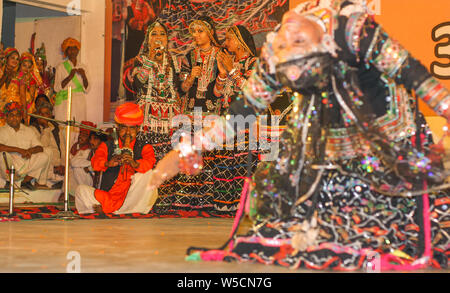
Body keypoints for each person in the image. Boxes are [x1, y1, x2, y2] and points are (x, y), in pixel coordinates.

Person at [149, 0, 450, 270]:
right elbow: (243, 111)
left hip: (386, 130)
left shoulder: (356, 30)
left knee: (388, 229)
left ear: (325, 48)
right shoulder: (277, 52)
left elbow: (416, 77)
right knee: (294, 228)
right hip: (325, 134)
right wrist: (190, 148)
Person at [171, 15, 221, 211]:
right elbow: (182, 88)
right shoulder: (189, 56)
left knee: (207, 153)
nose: (196, 35)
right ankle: (187, 199)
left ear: (209, 32)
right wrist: (191, 76)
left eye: (200, 31)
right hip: (191, 108)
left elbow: (224, 85)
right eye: (193, 32)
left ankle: (207, 200)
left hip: (211, 108)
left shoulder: (220, 55)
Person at [131, 20, 182, 211]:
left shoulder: (175, 61)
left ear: (167, 39)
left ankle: (166, 201)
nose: (158, 38)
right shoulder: (141, 59)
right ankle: (145, 199)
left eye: (162, 34)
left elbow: (180, 88)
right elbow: (137, 85)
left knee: (167, 157)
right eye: (154, 34)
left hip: (169, 116)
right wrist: (151, 61)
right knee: (148, 155)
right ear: (148, 39)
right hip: (147, 116)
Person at [210, 24, 259, 212]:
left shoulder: (253, 63)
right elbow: (216, 93)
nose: (225, 42)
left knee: (241, 163)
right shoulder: (229, 61)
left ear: (240, 42)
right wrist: (222, 74)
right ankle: (224, 205)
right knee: (223, 161)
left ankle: (242, 205)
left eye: (229, 38)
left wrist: (232, 71)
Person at [75, 103, 157, 214]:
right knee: (81, 190)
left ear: (138, 129)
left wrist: (134, 163)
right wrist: (108, 163)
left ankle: (113, 210)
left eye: (132, 128)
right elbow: (95, 163)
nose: (128, 133)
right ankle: (113, 209)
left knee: (148, 175)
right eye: (124, 128)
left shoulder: (144, 147)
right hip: (109, 196)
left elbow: (149, 162)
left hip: (131, 196)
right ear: (118, 128)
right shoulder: (107, 145)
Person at [0, 102, 50, 190]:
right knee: (2, 155)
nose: (14, 118)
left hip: (26, 164)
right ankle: (10, 181)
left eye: (17, 115)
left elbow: (40, 147)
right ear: (6, 117)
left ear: (21, 117)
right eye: (11, 115)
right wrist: (19, 150)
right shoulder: (2, 130)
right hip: (11, 167)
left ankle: (25, 182)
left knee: (44, 156)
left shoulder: (28, 130)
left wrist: (30, 151)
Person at [53, 37, 89, 141]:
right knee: (65, 127)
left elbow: (87, 88)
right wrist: (69, 76)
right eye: (70, 49)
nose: (72, 51)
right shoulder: (60, 67)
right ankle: (65, 154)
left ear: (78, 50)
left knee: (78, 126)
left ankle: (76, 152)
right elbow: (56, 88)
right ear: (66, 51)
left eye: (75, 48)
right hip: (65, 101)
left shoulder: (83, 67)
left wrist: (84, 76)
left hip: (79, 101)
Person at [30, 101, 65, 189]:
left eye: (46, 114)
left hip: (59, 167)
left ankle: (61, 184)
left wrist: (63, 165)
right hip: (48, 167)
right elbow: (41, 148)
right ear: (37, 116)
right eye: (41, 114)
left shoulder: (56, 129)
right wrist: (45, 128)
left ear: (50, 116)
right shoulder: (32, 129)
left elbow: (63, 149)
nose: (43, 116)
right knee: (45, 154)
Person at [0, 48, 20, 126]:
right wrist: (6, 75)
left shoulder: (19, 75)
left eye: (17, 59)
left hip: (13, 111)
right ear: (6, 58)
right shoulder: (1, 71)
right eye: (12, 58)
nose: (15, 60)